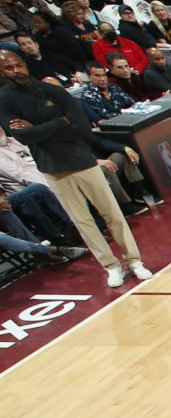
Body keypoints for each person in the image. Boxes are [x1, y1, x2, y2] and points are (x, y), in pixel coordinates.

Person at [0, 49, 150, 288]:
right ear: (2, 72)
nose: (16, 71)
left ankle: (134, 260)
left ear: (25, 64)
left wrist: (37, 129)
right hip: (52, 167)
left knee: (112, 214)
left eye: (18, 65)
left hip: (82, 161)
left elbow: (81, 128)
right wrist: (60, 122)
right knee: (83, 222)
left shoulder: (54, 91)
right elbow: (23, 136)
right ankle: (111, 266)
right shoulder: (4, 99)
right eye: (9, 68)